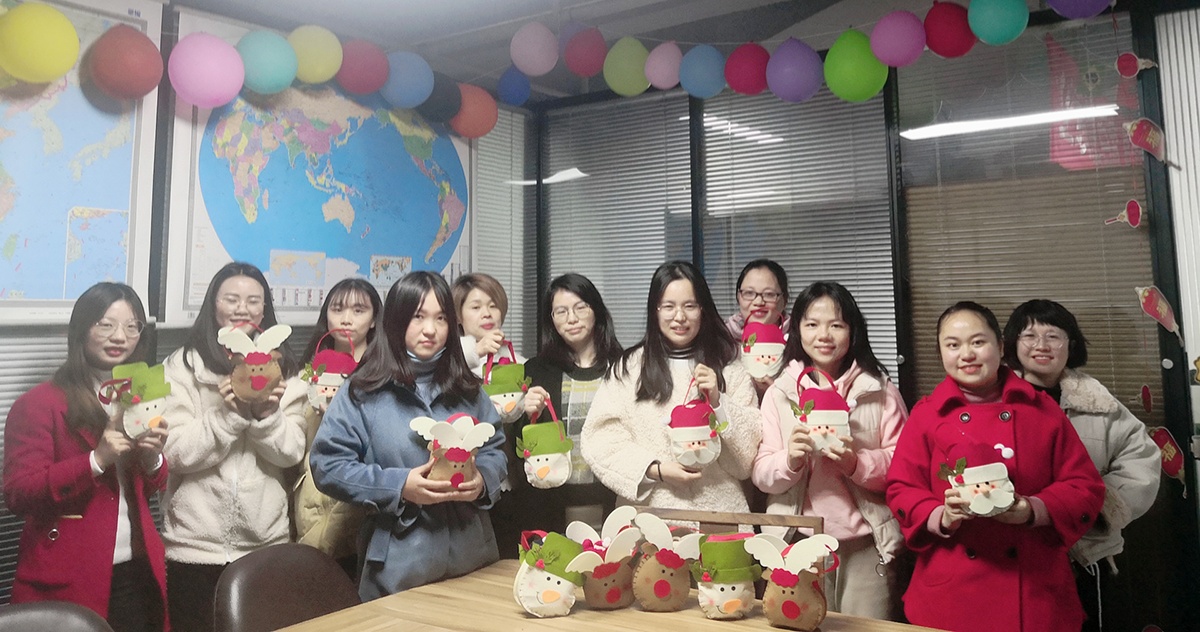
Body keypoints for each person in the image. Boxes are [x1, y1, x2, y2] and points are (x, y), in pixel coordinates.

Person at [886, 301, 1104, 632]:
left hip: (1033, 586)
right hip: (953, 589)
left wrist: (1032, 510)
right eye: (953, 345)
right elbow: (901, 488)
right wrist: (942, 515)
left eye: (978, 342)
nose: (966, 354)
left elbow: (1084, 486)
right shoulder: (927, 414)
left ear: (1001, 347)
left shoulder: (1041, 409)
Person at [310, 271, 507, 599]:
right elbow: (327, 466)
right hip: (396, 568)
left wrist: (482, 479)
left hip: (473, 559)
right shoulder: (363, 390)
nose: (430, 329)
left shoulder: (467, 387)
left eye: (441, 318)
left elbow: (495, 450)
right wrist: (399, 486)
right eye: (418, 316)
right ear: (397, 320)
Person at [3, 282, 169, 631]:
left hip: (136, 568)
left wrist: (153, 457)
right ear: (81, 329)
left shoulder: (138, 396)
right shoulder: (39, 403)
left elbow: (148, 487)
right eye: (105, 324)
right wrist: (96, 460)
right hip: (68, 575)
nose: (119, 336)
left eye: (132, 326)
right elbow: (19, 493)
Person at [161, 262, 307, 632]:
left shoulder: (286, 371)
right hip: (193, 547)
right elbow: (174, 454)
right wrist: (229, 416)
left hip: (265, 545)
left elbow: (292, 453)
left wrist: (265, 414)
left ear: (265, 309)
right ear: (214, 305)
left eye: (253, 301)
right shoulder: (184, 367)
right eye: (231, 299)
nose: (242, 308)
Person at [1003, 299, 1161, 632]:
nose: (1041, 345)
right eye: (1029, 335)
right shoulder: (994, 399)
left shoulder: (1097, 401)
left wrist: (1098, 508)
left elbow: (1141, 459)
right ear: (1013, 343)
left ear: (1070, 344)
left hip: (1087, 552)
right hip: (1014, 550)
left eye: (1053, 336)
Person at [752, 281, 906, 619]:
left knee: (868, 626)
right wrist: (789, 461)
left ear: (853, 330)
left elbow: (904, 465)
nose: (824, 335)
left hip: (866, 543)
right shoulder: (780, 393)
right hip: (798, 541)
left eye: (836, 325)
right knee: (801, 623)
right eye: (812, 324)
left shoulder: (878, 390)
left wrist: (856, 463)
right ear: (797, 330)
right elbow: (761, 474)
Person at [581, 261, 762, 513]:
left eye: (690, 306)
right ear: (655, 311)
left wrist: (719, 402)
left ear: (703, 309)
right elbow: (599, 439)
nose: (679, 316)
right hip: (649, 516)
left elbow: (747, 460)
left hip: (720, 515)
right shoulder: (629, 368)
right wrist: (655, 470)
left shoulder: (730, 368)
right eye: (668, 306)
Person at [492, 273, 622, 553]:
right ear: (551, 320)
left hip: (613, 500)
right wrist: (523, 413)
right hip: (548, 505)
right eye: (560, 311)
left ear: (596, 310)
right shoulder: (535, 371)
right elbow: (516, 448)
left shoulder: (624, 367)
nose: (571, 318)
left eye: (580, 308)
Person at [292, 278, 382, 577]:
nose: (346, 319)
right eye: (338, 309)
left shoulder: (385, 372)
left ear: (374, 319)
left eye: (359, 310)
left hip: (363, 499)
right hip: (312, 497)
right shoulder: (306, 374)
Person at [451, 273, 525, 372]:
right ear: (457, 315)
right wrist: (475, 351)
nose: (487, 314)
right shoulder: (444, 358)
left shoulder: (520, 364)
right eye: (476, 307)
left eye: (493, 306)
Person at [724, 258, 790, 340]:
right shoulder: (721, 338)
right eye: (749, 293)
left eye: (769, 294)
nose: (758, 302)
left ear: (785, 300)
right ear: (738, 297)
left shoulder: (800, 337)